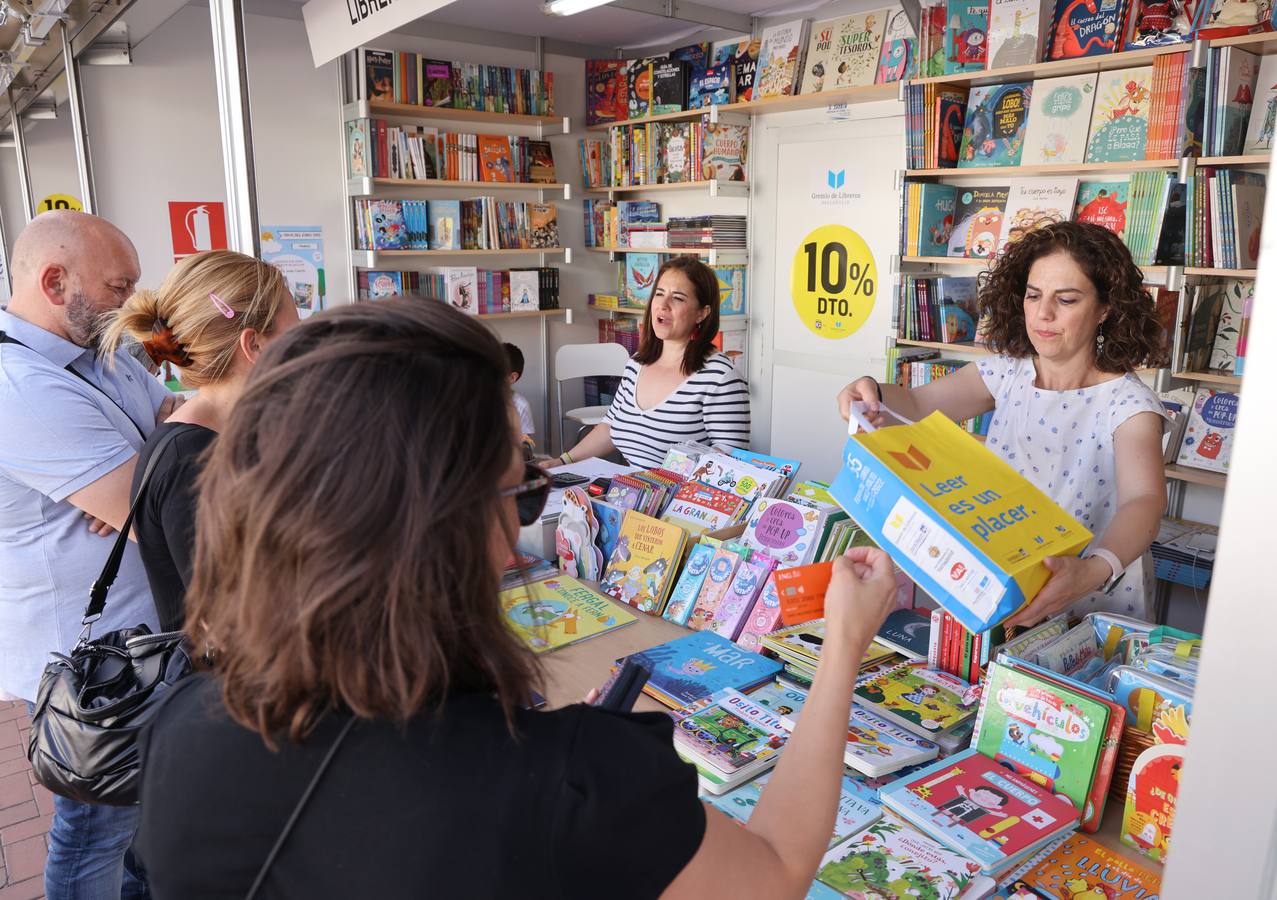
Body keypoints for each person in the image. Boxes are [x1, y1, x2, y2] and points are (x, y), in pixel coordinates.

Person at [135, 299, 898, 899]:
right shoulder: (572, 781)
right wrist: (840, 649)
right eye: (522, 489)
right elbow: (772, 871)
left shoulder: (183, 726)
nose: (512, 544)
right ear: (459, 528)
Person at [837, 221, 1168, 626]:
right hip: (1006, 583)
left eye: (1066, 300)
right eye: (1033, 295)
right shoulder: (1007, 373)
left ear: (1105, 309)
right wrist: (871, 390)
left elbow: (1144, 500)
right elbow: (919, 404)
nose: (1043, 314)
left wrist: (1094, 570)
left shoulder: (1129, 403)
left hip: (1094, 592)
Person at [0, 210, 177, 899]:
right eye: (118, 286)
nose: (132, 304)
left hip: (136, 643)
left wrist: (142, 472)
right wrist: (143, 487)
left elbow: (174, 427)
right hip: (91, 668)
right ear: (54, 281)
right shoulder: (20, 388)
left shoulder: (103, 356)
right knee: (95, 831)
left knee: (138, 822)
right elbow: (159, 513)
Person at [99, 250, 299, 631]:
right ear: (254, 345)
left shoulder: (232, 435)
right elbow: (238, 624)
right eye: (297, 332)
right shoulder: (189, 460)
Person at [560, 256, 750, 468]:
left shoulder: (720, 377)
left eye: (678, 298)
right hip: (631, 493)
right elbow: (610, 427)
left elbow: (731, 458)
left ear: (701, 313)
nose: (663, 304)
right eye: (659, 294)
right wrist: (562, 461)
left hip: (680, 498)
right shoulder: (637, 363)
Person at [503, 341, 537, 453]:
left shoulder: (521, 405)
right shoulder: (476, 399)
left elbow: (526, 443)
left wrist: (523, 442)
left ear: (512, 378)